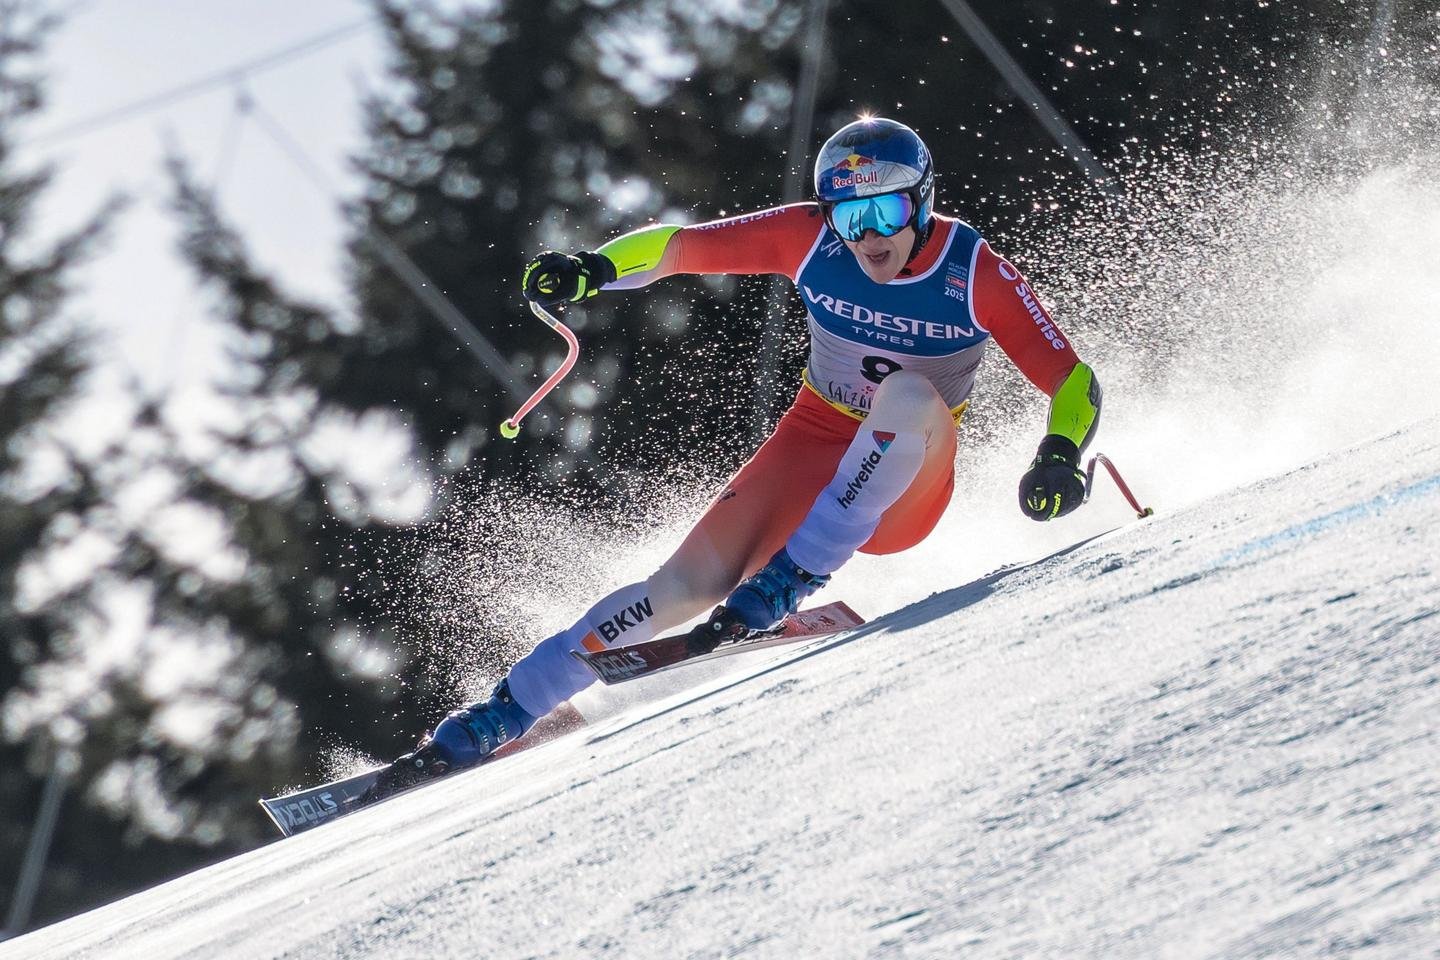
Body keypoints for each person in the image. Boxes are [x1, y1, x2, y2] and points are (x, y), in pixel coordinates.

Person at [416, 117, 1101, 771]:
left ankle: (791, 578)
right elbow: (678, 247)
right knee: (680, 588)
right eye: (848, 216)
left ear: (923, 203)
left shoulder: (971, 269)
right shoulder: (809, 239)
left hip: (905, 480)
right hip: (814, 436)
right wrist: (594, 268)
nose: (867, 238)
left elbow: (1073, 380)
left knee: (910, 395)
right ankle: (505, 712)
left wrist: (1060, 454)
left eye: (884, 214)